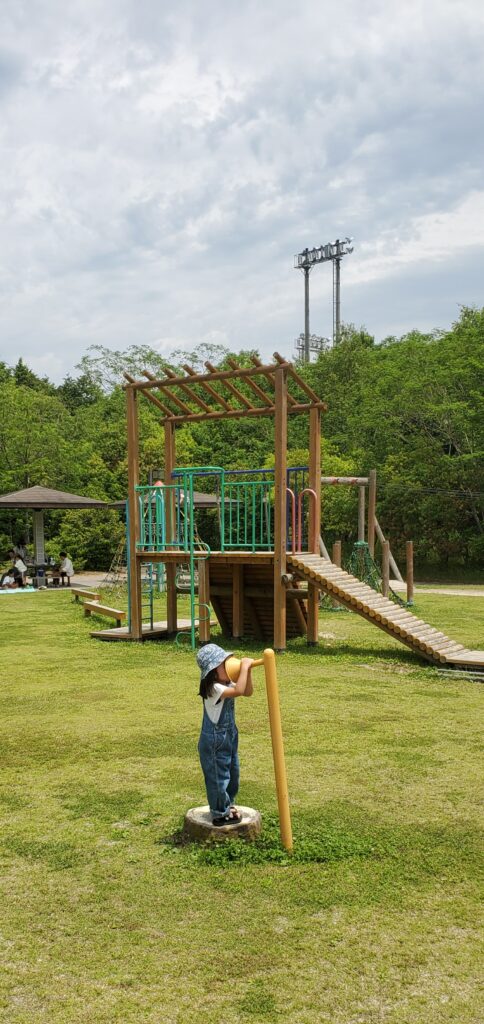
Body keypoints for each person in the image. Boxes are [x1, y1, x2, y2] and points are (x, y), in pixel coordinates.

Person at [196, 643, 253, 826]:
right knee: (218, 776)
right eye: (224, 663)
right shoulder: (214, 688)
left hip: (228, 736)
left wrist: (248, 671)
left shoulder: (226, 682)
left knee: (232, 771)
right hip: (214, 741)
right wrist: (244, 666)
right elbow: (238, 691)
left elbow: (247, 691)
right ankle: (220, 812)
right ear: (212, 671)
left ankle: (228, 804)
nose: (229, 665)